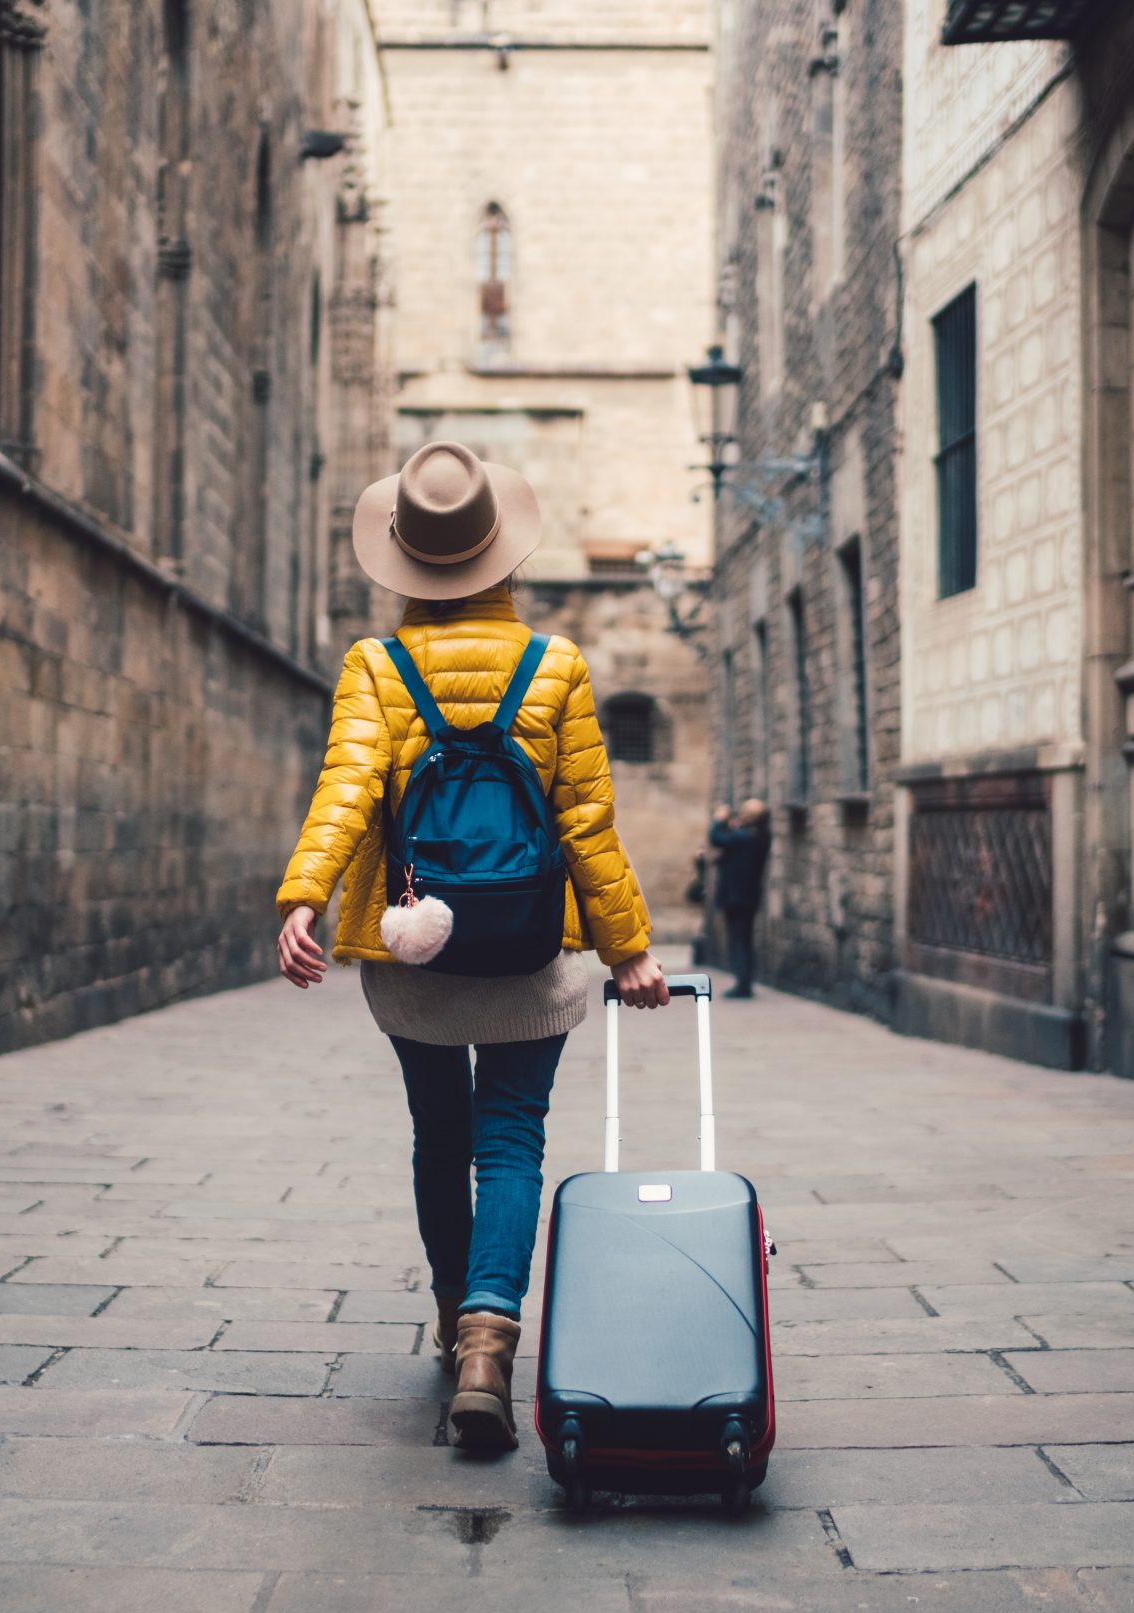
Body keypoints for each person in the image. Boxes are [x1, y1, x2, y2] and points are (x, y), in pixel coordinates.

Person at [275, 440, 669, 1455]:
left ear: (404, 560)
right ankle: (495, 1341)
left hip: (414, 953)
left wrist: (305, 896)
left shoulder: (375, 667)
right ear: (505, 559)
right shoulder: (557, 668)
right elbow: (585, 821)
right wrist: (627, 949)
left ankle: (454, 1320)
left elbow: (348, 790)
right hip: (532, 953)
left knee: (437, 1137)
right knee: (511, 1138)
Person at [709, 799, 772, 998]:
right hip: (748, 896)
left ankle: (742, 984)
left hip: (737, 897)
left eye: (745, 812)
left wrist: (719, 820)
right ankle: (744, 981)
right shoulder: (759, 836)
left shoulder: (745, 837)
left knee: (738, 940)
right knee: (744, 939)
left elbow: (716, 838)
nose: (740, 814)